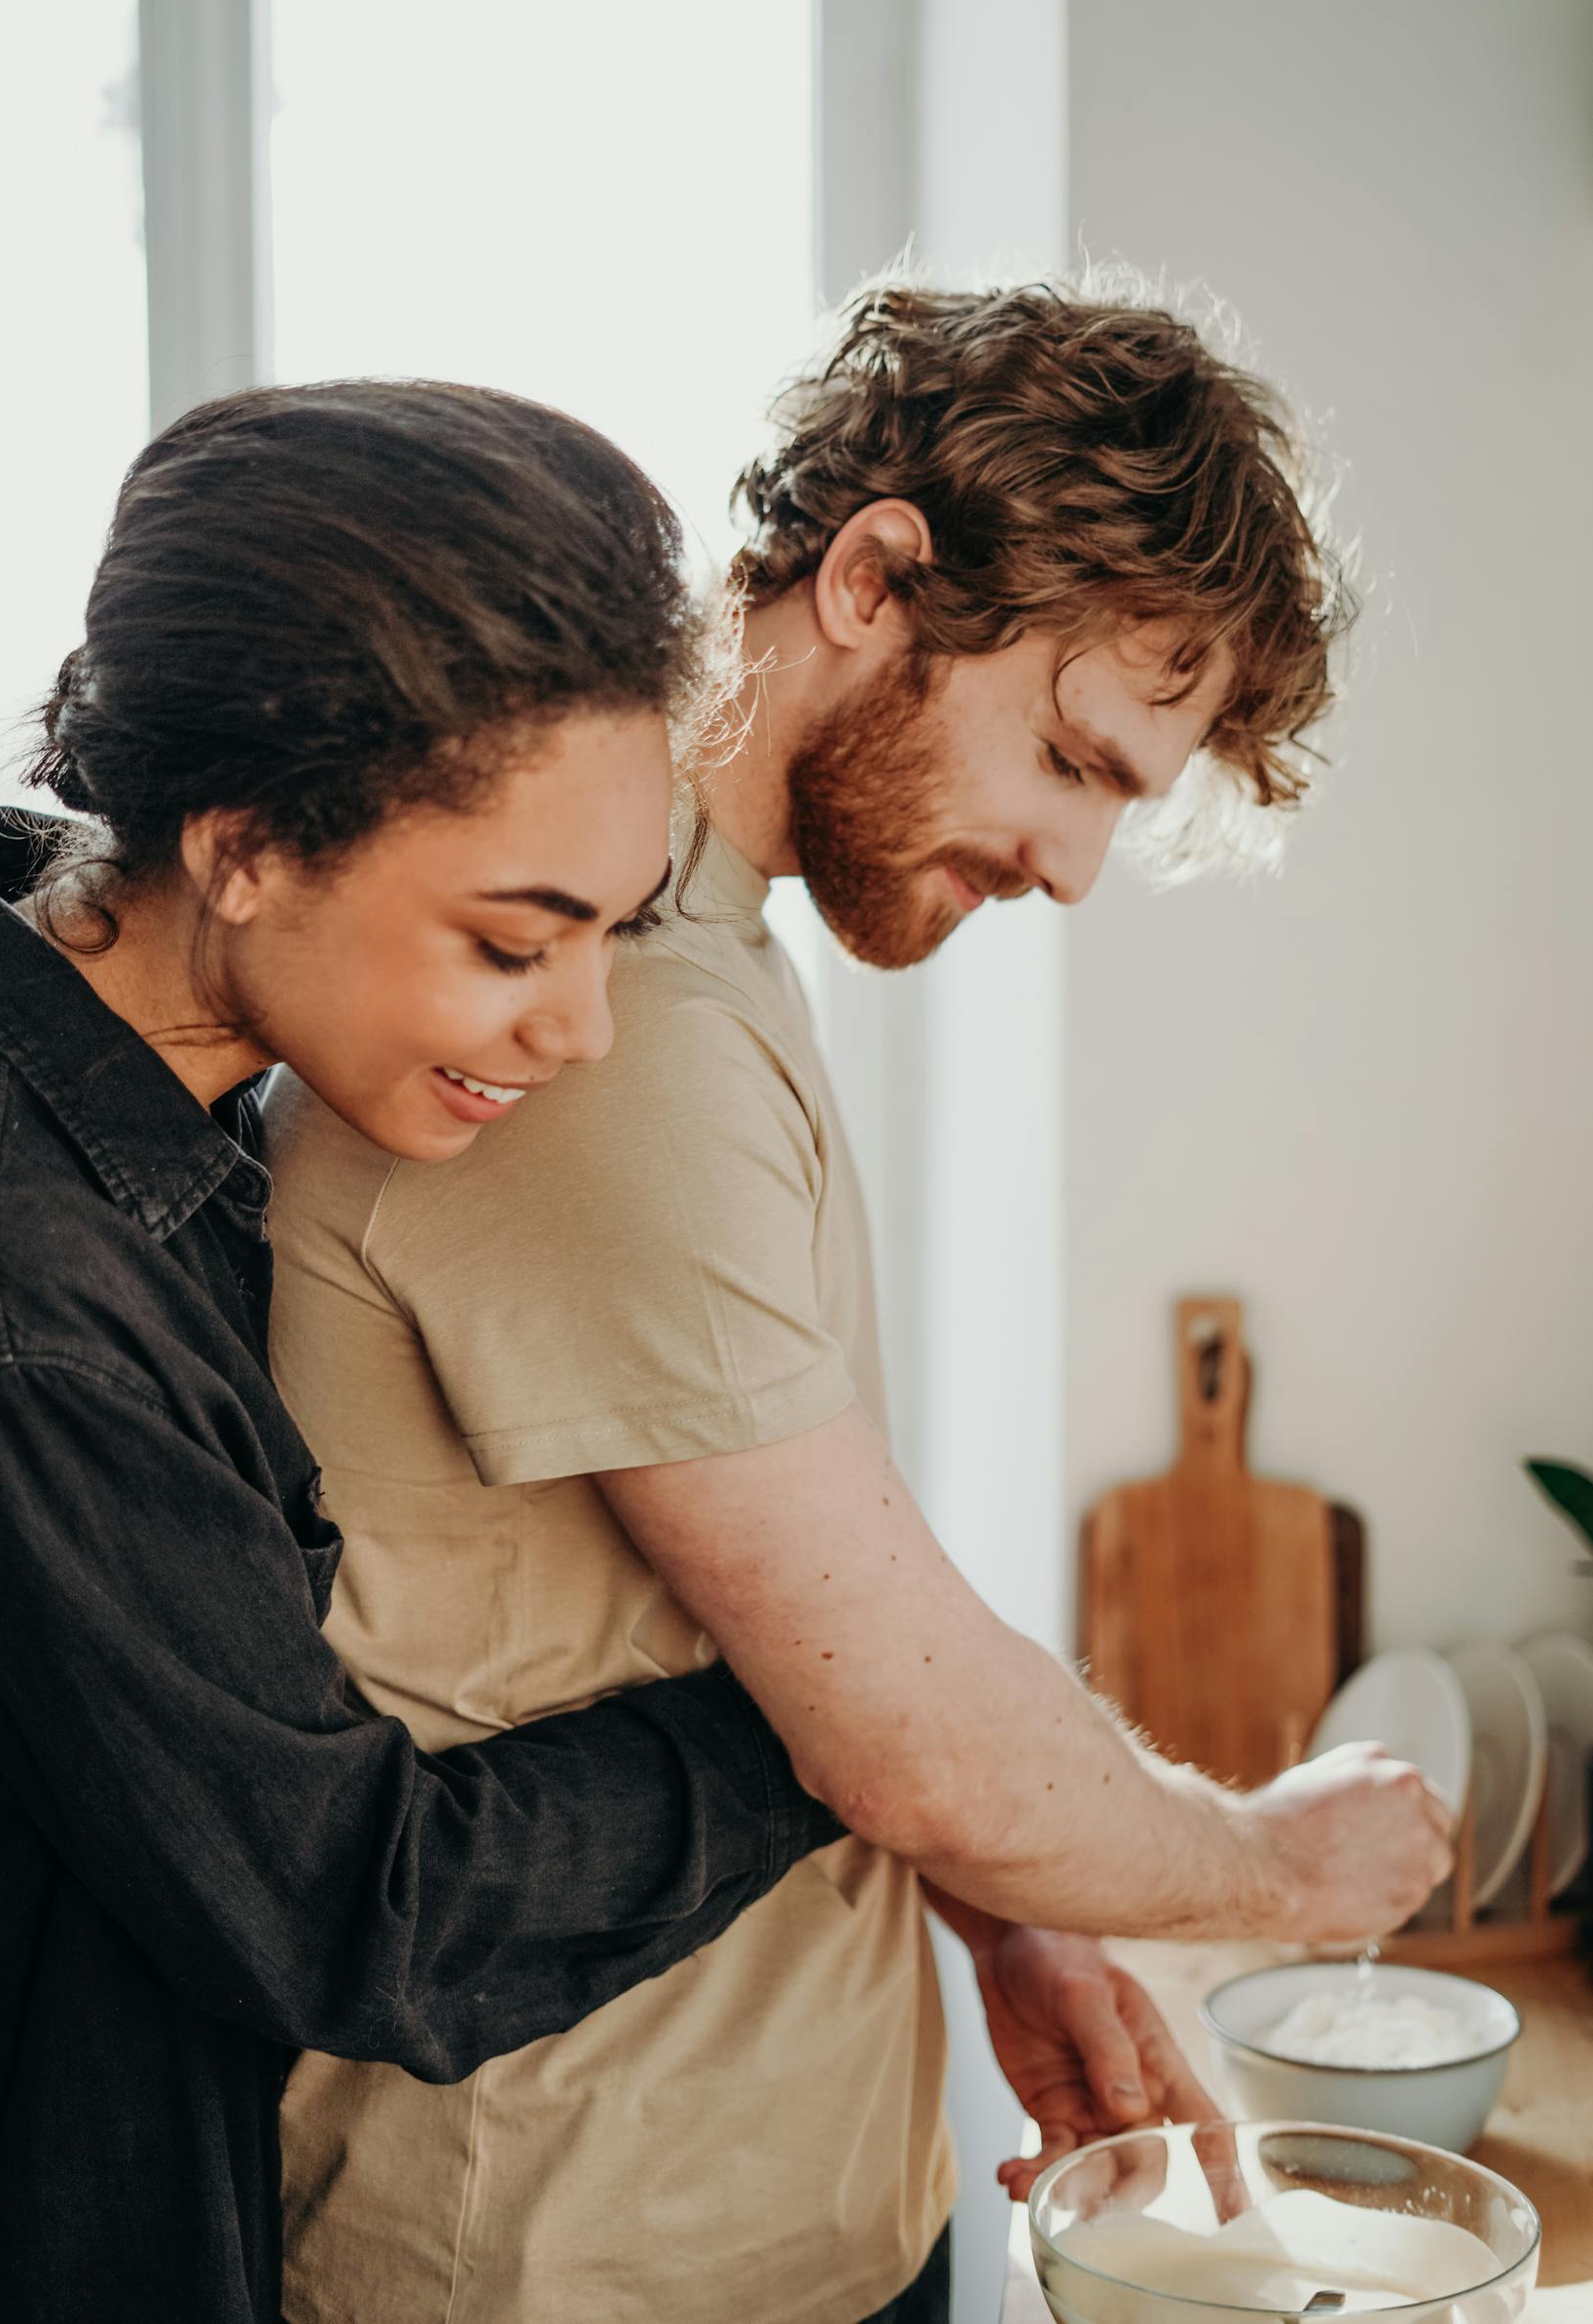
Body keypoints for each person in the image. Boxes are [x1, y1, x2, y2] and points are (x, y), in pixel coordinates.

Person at [267, 287, 1456, 2324]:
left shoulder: (701, 954)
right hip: (579, 2254)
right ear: (875, 574)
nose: (1075, 867)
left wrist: (1012, 1908)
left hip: (754, 2203)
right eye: (1072, 759)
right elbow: (902, 1735)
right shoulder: (607, 1011)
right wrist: (1268, 1864)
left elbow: (777, 1603)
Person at [0, 380, 854, 2324]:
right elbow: (353, 1903)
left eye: (611, 933)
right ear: (247, 843)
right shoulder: (21, 1299)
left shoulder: (32, 930)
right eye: (515, 945)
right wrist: (832, 1712)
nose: (586, 1029)